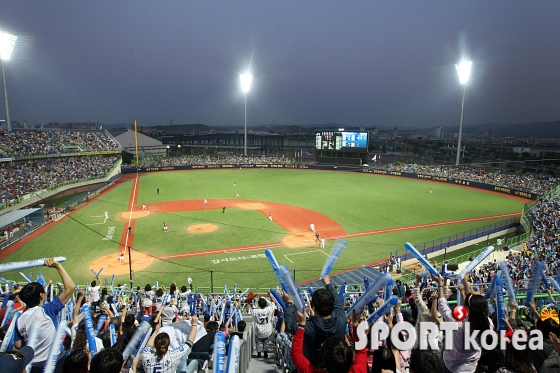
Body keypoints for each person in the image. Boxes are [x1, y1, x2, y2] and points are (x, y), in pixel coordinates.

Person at [15, 258, 76, 373]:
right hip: (54, 360)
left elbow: (18, 345)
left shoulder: (19, 319)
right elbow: (71, 287)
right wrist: (58, 266)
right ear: (42, 295)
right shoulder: (47, 310)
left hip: (31, 363)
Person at [291, 306, 367, 373]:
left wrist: (302, 324)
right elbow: (361, 351)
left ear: (323, 359)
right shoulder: (359, 370)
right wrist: (355, 324)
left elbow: (296, 354)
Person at [250, 294, 276, 358]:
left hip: (259, 330)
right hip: (267, 329)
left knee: (258, 343)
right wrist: (270, 295)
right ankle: (265, 353)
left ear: (258, 304)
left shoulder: (256, 311)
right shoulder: (268, 309)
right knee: (266, 342)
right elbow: (273, 303)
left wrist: (248, 301)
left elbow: (249, 310)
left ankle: (259, 354)